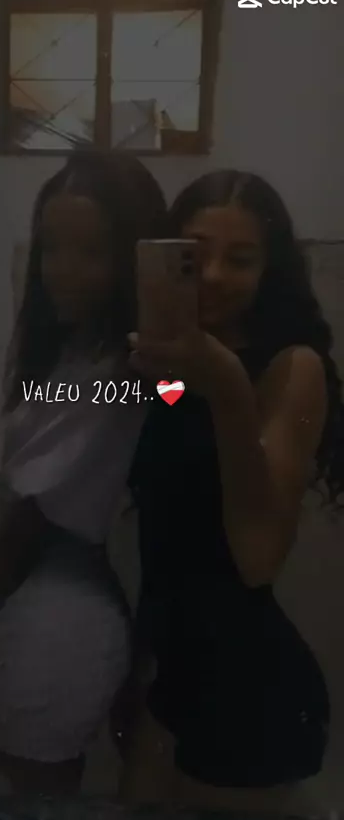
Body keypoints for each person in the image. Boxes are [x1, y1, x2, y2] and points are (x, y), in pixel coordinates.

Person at [0, 150, 167, 798]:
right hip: (37, 601)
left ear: (132, 258)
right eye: (51, 249)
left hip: (63, 625)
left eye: (91, 252)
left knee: (20, 795)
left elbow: (22, 529)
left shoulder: (120, 374)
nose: (62, 270)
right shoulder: (73, 349)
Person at [118, 170, 342, 811]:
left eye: (240, 260)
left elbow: (257, 556)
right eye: (195, 256)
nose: (214, 275)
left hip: (247, 693)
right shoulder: (175, 365)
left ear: (270, 270)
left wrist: (226, 387)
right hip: (172, 674)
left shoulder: (293, 369)